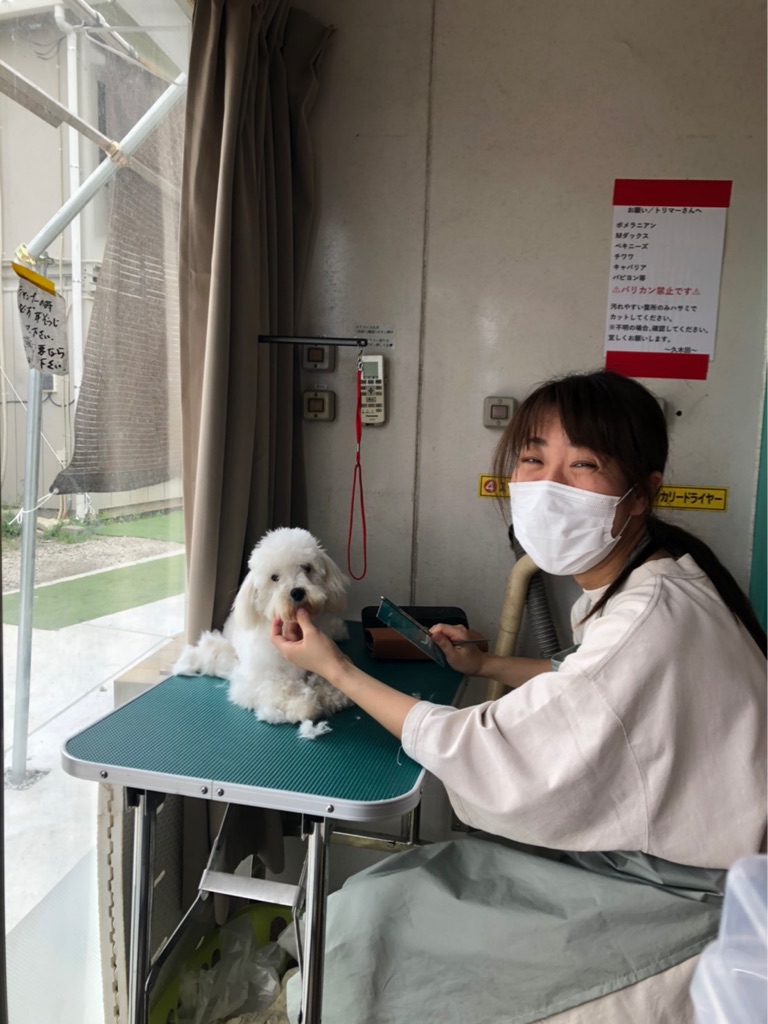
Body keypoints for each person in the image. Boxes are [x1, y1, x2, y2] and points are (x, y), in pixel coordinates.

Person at [272, 369, 767, 1023]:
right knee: (386, 892)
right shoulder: (664, 573)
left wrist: (335, 668)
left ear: (641, 495)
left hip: (679, 887)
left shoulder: (649, 619)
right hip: (671, 855)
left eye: (583, 464)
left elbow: (487, 748)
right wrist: (486, 663)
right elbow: (592, 681)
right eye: (534, 459)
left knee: (368, 918)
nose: (549, 486)